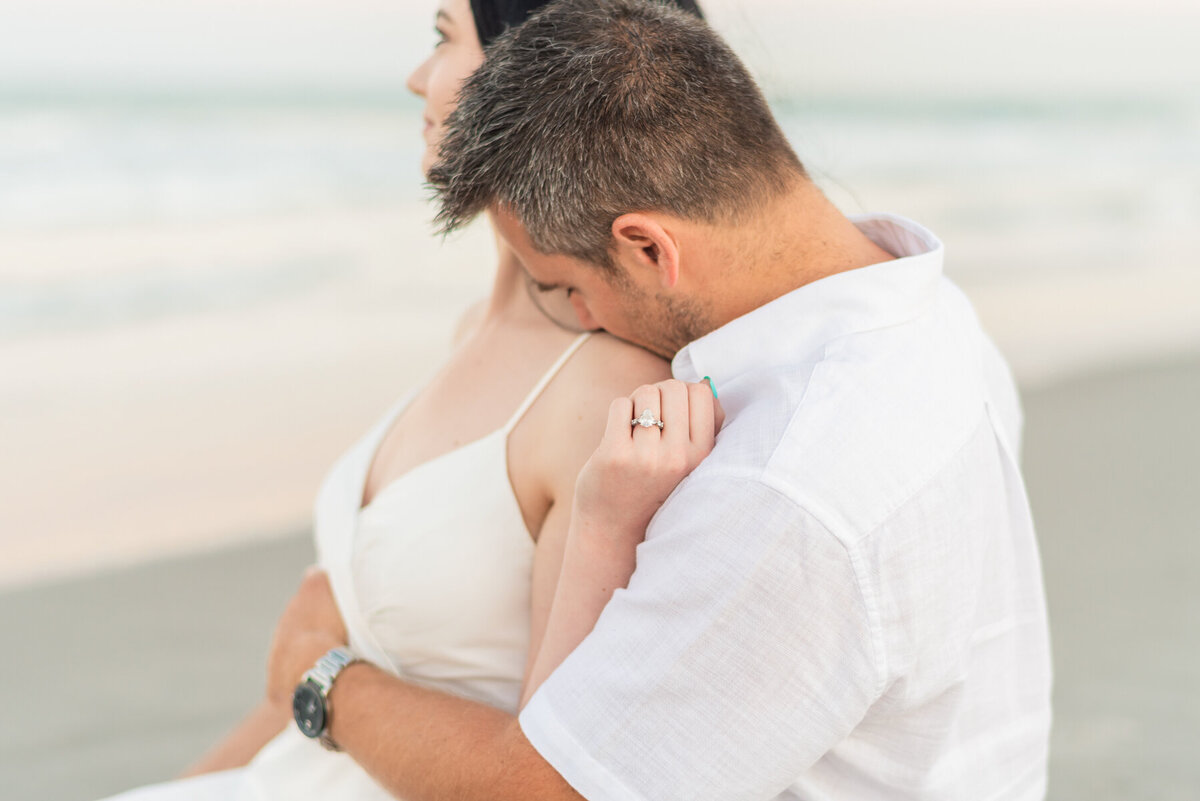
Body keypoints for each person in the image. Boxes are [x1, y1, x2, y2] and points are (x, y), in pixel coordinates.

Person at [262, 1, 1055, 800]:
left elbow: (550, 789)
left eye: (570, 286)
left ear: (648, 247)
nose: (582, 319)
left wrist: (322, 678)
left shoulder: (783, 488)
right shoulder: (923, 307)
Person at [96, 1, 709, 800]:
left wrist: (323, 679)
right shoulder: (473, 330)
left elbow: (549, 775)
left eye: (444, 37)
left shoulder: (605, 397)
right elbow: (293, 688)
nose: (417, 76)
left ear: (536, 75)